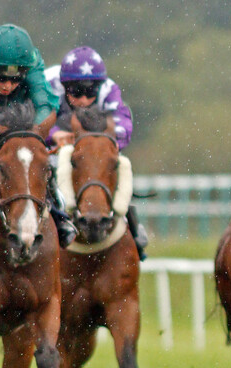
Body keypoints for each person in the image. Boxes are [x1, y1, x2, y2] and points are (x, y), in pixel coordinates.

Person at [44, 46, 149, 259]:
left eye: (90, 92)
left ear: (98, 88)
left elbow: (123, 127)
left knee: (114, 166)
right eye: (76, 92)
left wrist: (95, 143)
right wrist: (54, 134)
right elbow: (35, 121)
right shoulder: (48, 85)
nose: (83, 100)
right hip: (51, 150)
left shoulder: (109, 89)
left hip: (90, 151)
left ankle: (133, 228)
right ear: (64, 87)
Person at [0, 23, 78, 247]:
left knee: (33, 157)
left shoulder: (32, 62)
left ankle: (57, 214)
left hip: (16, 121)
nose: (8, 85)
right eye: (0, 78)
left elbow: (45, 105)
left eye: (16, 78)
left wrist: (32, 137)